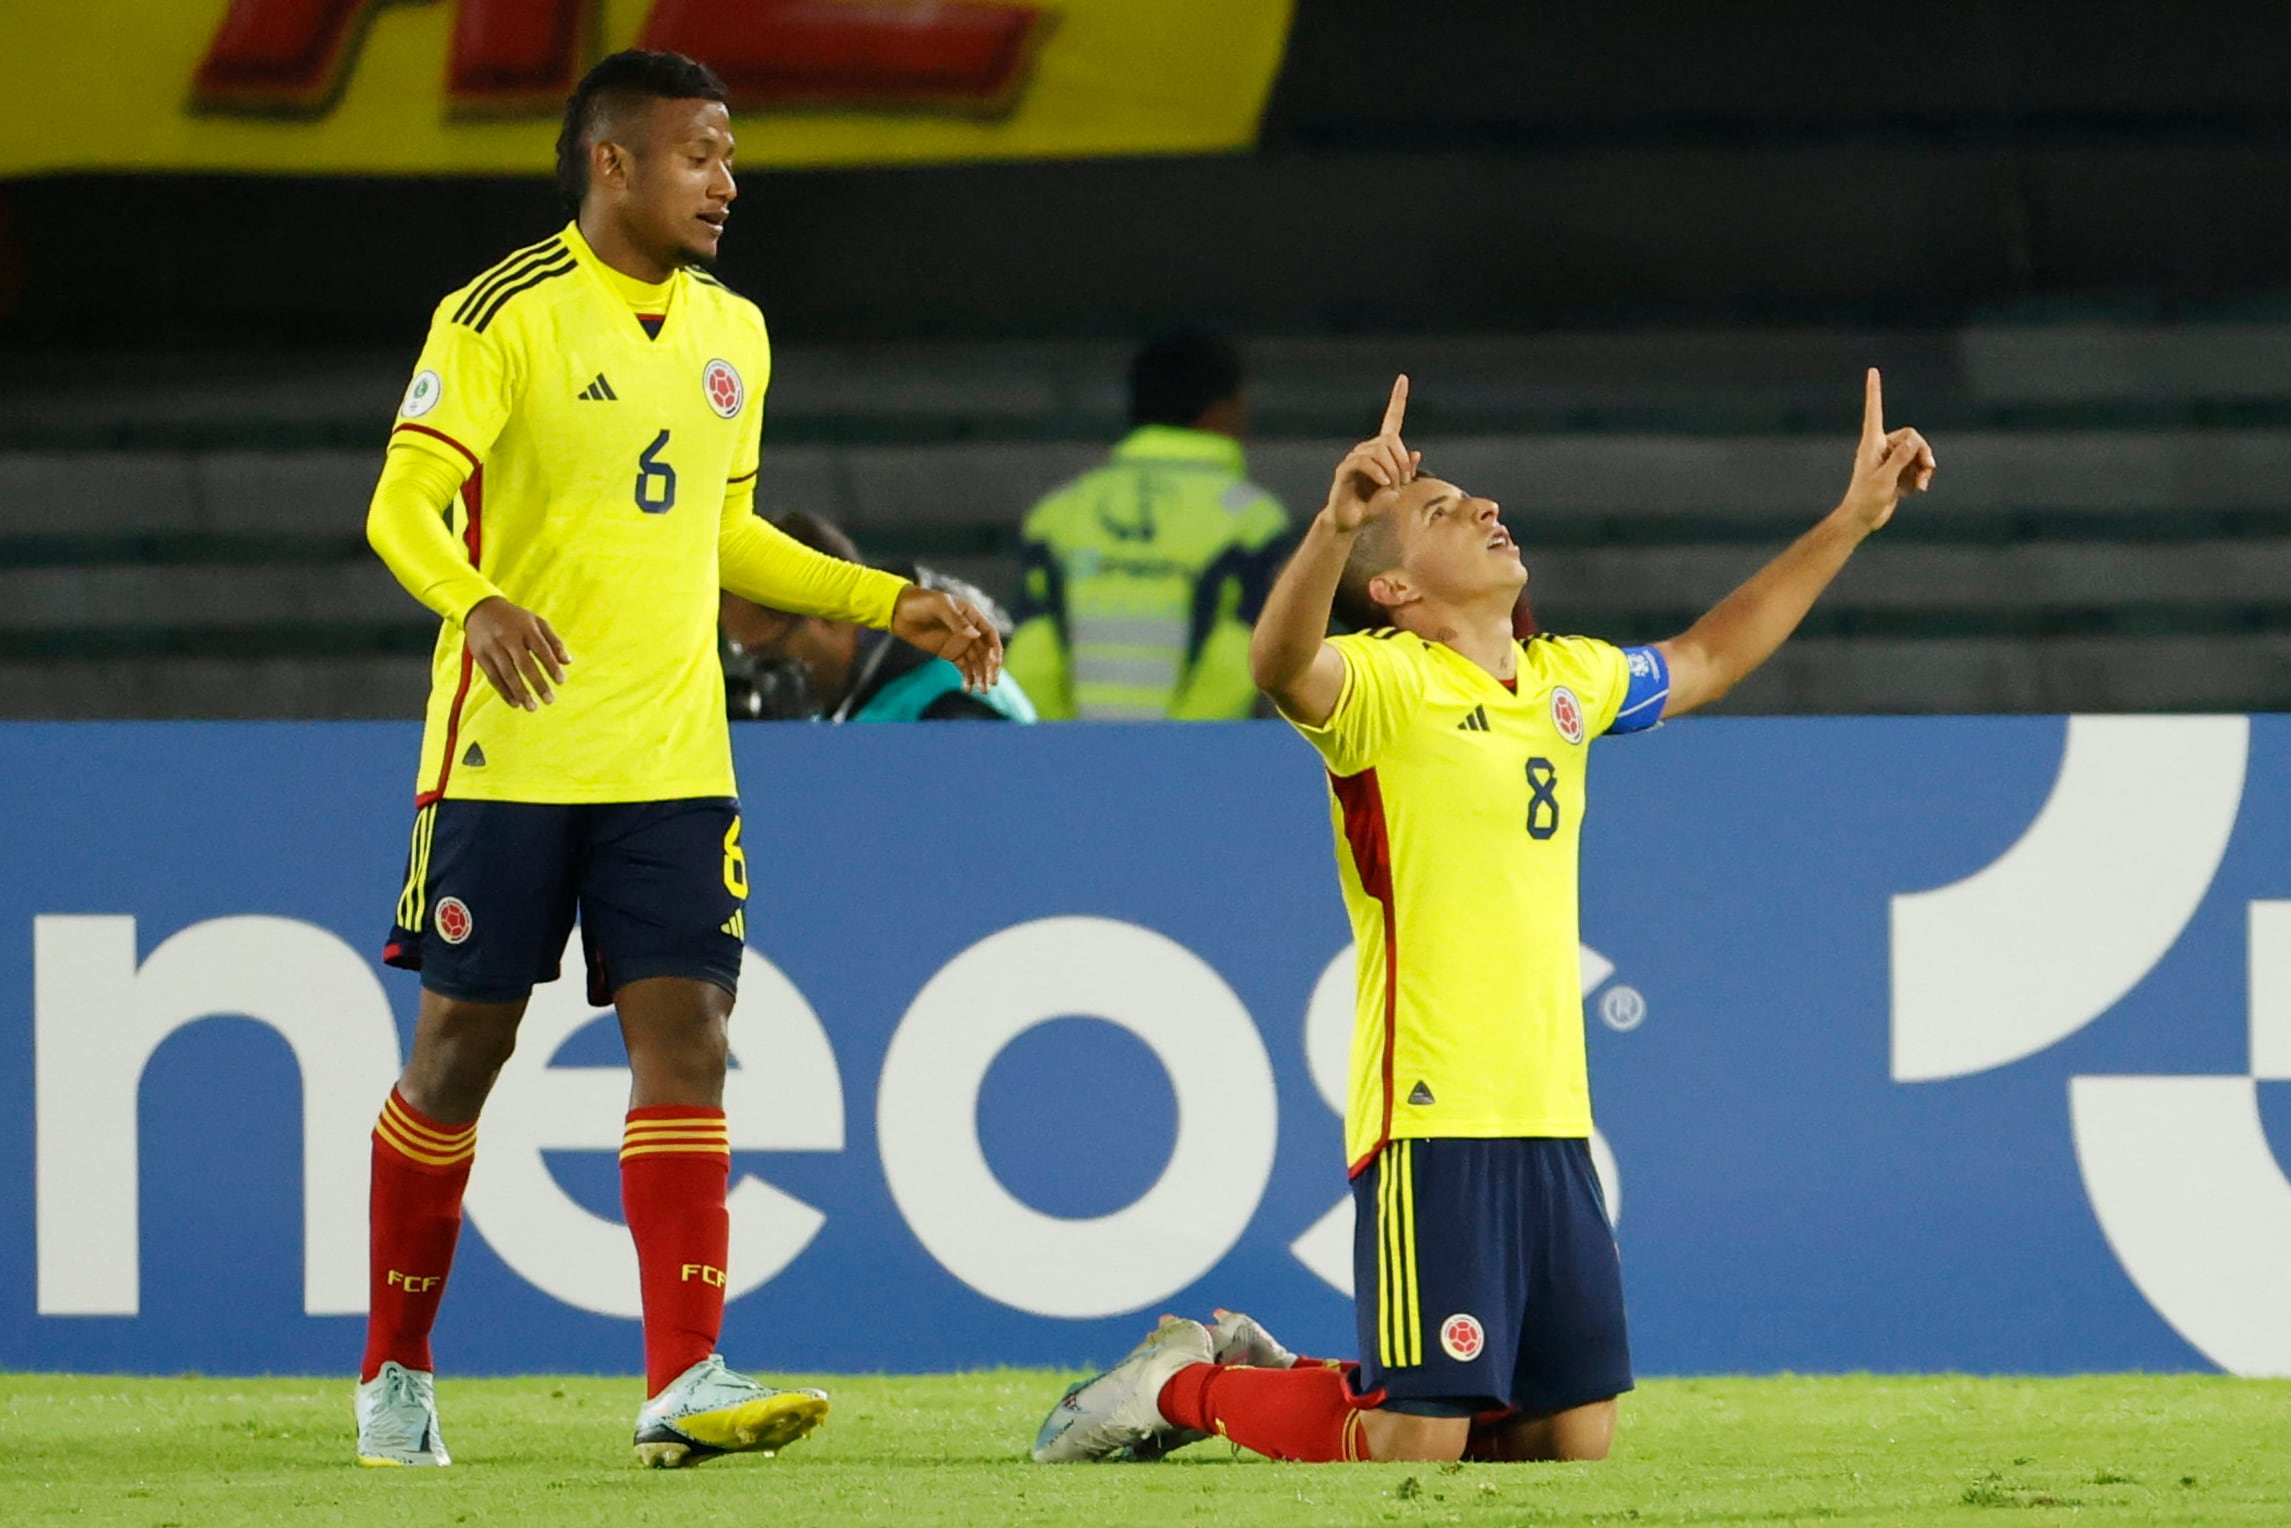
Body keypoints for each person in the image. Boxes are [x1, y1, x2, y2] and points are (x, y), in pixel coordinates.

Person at [1032, 370, 1934, 1466]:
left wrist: (1849, 522)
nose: (1481, 508)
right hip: (1429, 1112)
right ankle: (1183, 1388)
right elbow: (1275, 664)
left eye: (1475, 499)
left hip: (1548, 1110)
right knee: (1421, 1439)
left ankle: (1305, 1383)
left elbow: (1704, 657)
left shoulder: (1563, 684)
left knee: (1571, 1436)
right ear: (1396, 592)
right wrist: (1332, 528)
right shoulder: (1383, 687)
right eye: (1438, 511)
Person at [357, 49, 1001, 1471]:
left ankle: (682, 1375)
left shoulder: (734, 332)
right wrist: (479, 599)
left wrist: (877, 595)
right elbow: (399, 508)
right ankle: (395, 1369)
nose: (726, 180)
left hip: (673, 758)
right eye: (701, 154)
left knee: (688, 1041)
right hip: (507, 760)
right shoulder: (498, 316)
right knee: (462, 1051)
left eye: (729, 155)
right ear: (613, 162)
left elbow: (728, 536)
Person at [1004, 332, 1290, 719]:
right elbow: (1240, 650)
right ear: (1222, 409)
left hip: (1074, 757)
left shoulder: (1060, 510)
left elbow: (1033, 648)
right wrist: (1173, 753)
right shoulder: (1253, 518)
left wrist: (1058, 746)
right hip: (1186, 761)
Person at [723, 510, 1036, 722]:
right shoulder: (864, 703)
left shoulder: (948, 703)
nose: (762, 678)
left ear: (828, 612)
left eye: (770, 655)